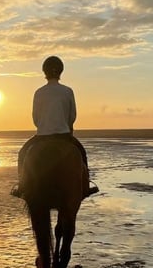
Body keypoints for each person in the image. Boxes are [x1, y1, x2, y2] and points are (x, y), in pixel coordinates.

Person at [11, 55, 98, 198]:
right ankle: (86, 186)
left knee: (22, 154)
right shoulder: (68, 91)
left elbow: (36, 119)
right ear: (60, 72)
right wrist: (67, 126)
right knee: (82, 154)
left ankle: (21, 186)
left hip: (42, 136)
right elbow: (72, 116)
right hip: (64, 135)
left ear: (44, 72)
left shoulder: (39, 92)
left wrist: (45, 125)